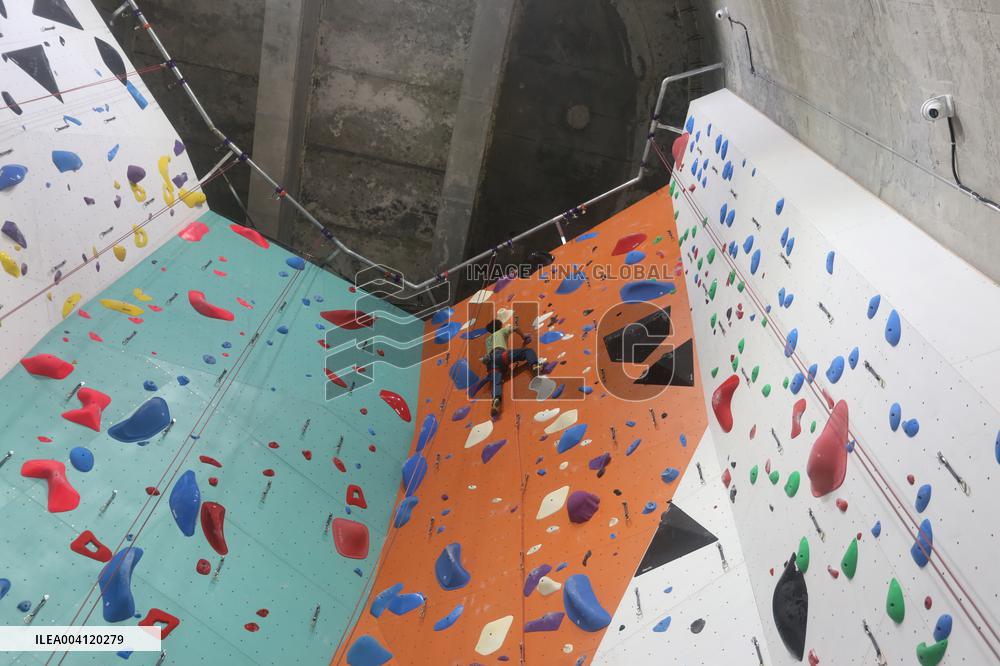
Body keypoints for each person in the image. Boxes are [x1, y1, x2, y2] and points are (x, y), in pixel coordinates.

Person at [482, 317, 542, 417]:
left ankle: (496, 399)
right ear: (499, 326)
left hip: (491, 363)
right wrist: (524, 336)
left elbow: (488, 357)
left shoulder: (487, 340)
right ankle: (534, 365)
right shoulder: (502, 330)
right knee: (528, 351)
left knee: (496, 381)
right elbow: (515, 328)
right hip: (502, 355)